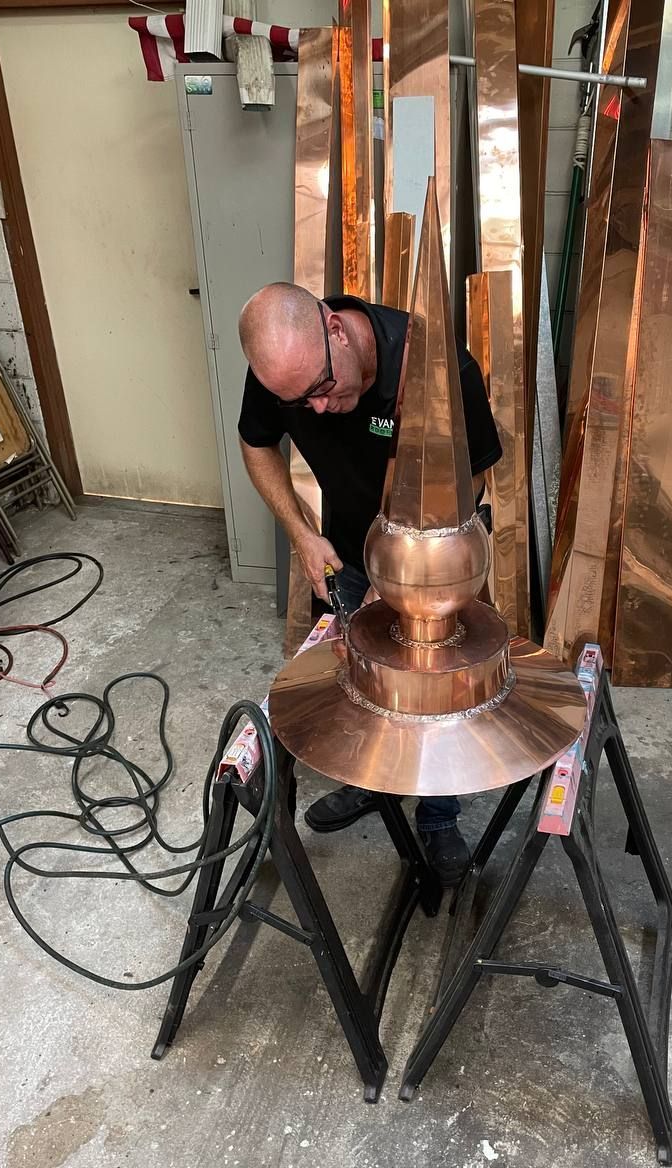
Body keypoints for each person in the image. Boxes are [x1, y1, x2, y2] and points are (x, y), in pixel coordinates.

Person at [237, 282, 502, 885]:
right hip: (351, 552)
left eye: (323, 390)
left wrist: (411, 569)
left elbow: (477, 475)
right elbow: (257, 446)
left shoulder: (438, 367)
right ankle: (370, 784)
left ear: (334, 329)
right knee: (365, 676)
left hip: (436, 565)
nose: (321, 409)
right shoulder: (283, 370)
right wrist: (304, 535)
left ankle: (439, 817)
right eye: (301, 403)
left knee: (435, 692)